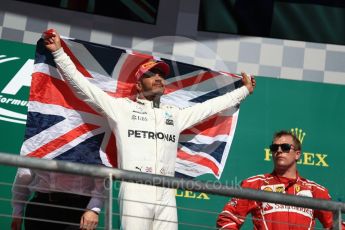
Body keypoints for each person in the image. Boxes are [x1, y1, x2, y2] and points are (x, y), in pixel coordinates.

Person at [42, 29, 256, 230]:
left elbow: (210, 107)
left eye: (161, 75)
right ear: (138, 84)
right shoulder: (121, 109)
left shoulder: (174, 114)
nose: (158, 78)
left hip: (166, 192)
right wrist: (59, 53)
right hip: (135, 190)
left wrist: (243, 92)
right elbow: (83, 87)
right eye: (151, 75)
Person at [217, 130, 343, 230]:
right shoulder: (255, 184)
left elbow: (336, 225)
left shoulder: (315, 190)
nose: (279, 150)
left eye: (285, 147)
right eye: (274, 147)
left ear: (298, 154)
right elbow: (228, 218)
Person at [11, 169, 104, 230]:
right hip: (41, 207)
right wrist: (17, 210)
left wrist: (94, 208)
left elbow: (103, 173)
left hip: (78, 210)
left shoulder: (90, 141)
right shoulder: (38, 139)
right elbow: (24, 174)